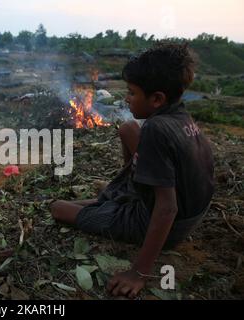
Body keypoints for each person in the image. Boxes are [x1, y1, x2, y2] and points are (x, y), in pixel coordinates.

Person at [50, 43, 214, 299]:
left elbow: (167, 208)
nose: (126, 98)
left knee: (58, 207)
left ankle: (109, 203)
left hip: (162, 222)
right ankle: (113, 197)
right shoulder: (181, 116)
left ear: (157, 98)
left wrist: (139, 272)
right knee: (127, 128)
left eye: (132, 93)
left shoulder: (156, 130)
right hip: (190, 209)